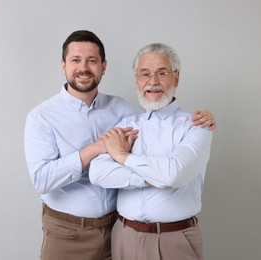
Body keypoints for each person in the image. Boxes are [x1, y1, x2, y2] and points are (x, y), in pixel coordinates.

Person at [24, 30, 216, 260]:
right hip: (69, 232)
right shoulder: (42, 116)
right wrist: (158, 176)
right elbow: (86, 174)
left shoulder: (125, 112)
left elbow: (164, 149)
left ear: (103, 66)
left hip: (114, 230)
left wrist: (129, 161)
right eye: (76, 60)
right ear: (63, 65)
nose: (83, 67)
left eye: (92, 60)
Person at [89, 43, 213, 260]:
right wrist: (155, 175)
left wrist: (122, 157)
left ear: (176, 78)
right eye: (145, 74)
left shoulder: (197, 125)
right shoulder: (127, 124)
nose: (153, 82)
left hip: (173, 239)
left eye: (161, 73)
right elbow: (97, 173)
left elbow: (174, 174)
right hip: (124, 237)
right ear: (137, 80)